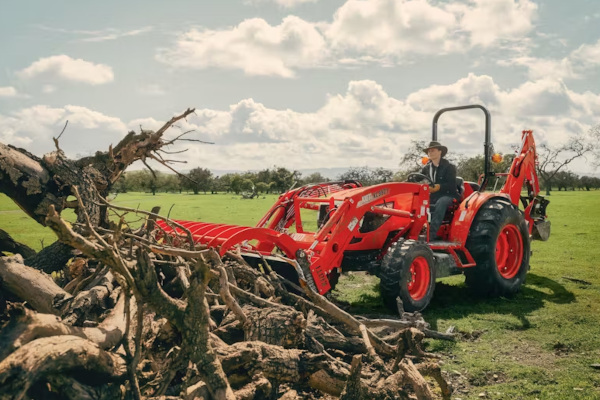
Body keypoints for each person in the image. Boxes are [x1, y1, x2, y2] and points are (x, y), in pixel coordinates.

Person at [421, 141, 460, 241]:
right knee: (417, 201)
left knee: (441, 202)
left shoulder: (449, 167)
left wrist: (438, 187)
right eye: (429, 151)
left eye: (433, 150)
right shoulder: (426, 168)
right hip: (433, 195)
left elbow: (451, 185)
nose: (430, 153)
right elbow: (417, 178)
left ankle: (431, 235)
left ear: (440, 152)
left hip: (449, 195)